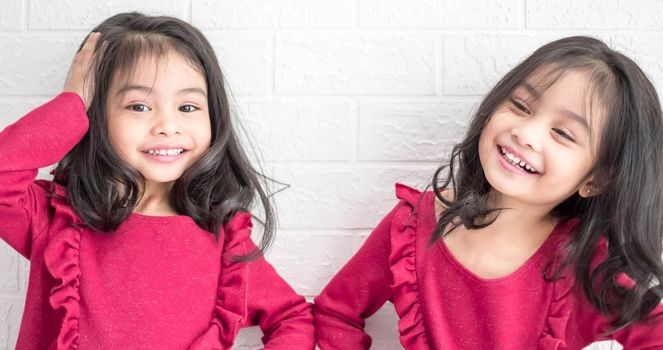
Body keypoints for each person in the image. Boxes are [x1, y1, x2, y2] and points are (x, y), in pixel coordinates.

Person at [314, 36, 663, 349]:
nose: (526, 134)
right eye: (522, 107)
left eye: (563, 133)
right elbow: (336, 311)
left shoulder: (588, 267)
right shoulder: (412, 225)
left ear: (596, 180)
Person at [0, 12, 314, 349]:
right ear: (96, 113)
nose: (167, 125)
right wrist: (71, 104)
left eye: (188, 107)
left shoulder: (224, 242)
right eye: (139, 106)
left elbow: (292, 318)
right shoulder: (56, 220)